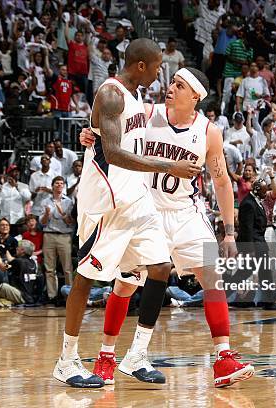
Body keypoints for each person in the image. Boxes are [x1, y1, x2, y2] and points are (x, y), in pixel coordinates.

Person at [80, 67, 253, 387]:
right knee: (126, 283)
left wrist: (229, 231)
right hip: (145, 211)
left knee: (212, 276)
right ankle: (105, 357)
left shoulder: (208, 131)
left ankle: (223, 358)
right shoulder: (146, 113)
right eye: (172, 82)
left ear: (196, 97)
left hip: (185, 212)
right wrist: (92, 133)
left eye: (179, 85)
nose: (170, 88)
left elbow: (222, 181)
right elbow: (110, 123)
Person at [53, 38, 201, 388]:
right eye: (155, 67)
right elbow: (116, 153)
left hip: (136, 198)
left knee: (161, 267)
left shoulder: (137, 98)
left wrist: (89, 132)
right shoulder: (111, 94)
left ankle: (135, 356)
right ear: (140, 66)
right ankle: (66, 360)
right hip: (106, 201)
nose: (158, 73)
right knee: (87, 276)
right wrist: (169, 165)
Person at [41, 176, 75, 302]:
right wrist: (46, 214)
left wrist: (62, 213)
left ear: (64, 186)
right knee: (50, 268)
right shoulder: (45, 201)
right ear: (52, 185)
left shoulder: (68, 201)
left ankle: (70, 295)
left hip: (64, 236)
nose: (59, 185)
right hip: (49, 234)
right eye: (57, 183)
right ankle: (52, 296)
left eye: (61, 183)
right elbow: (43, 223)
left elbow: (70, 222)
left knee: (67, 267)